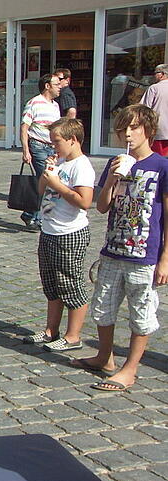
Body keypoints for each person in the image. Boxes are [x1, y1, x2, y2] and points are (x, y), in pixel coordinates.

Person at [73, 104, 168, 392]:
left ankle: (131, 367)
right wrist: (114, 178)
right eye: (122, 128)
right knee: (103, 307)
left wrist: (165, 258)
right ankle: (105, 356)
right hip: (114, 250)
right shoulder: (117, 162)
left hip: (144, 253)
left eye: (134, 127)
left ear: (148, 130)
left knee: (141, 311)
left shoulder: (162, 166)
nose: (127, 133)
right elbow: (101, 207)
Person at [22, 118, 94, 353]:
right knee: (51, 284)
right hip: (50, 229)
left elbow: (84, 201)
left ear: (73, 140)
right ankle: (51, 330)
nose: (54, 146)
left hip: (69, 232)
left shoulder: (81, 166)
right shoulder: (60, 161)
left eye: (57, 142)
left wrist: (59, 185)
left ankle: (73, 335)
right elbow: (42, 191)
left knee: (70, 284)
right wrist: (47, 176)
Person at [19, 73, 61, 231]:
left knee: (44, 181)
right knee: (45, 180)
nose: (60, 87)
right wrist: (25, 150)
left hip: (51, 147)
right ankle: (34, 216)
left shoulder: (55, 105)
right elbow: (24, 127)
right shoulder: (34, 103)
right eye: (56, 84)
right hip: (37, 146)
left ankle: (32, 213)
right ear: (47, 86)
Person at [140, 64, 168, 156]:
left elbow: (144, 108)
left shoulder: (154, 88)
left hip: (159, 129)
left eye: (156, 73)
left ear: (162, 74)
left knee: (158, 157)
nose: (154, 75)